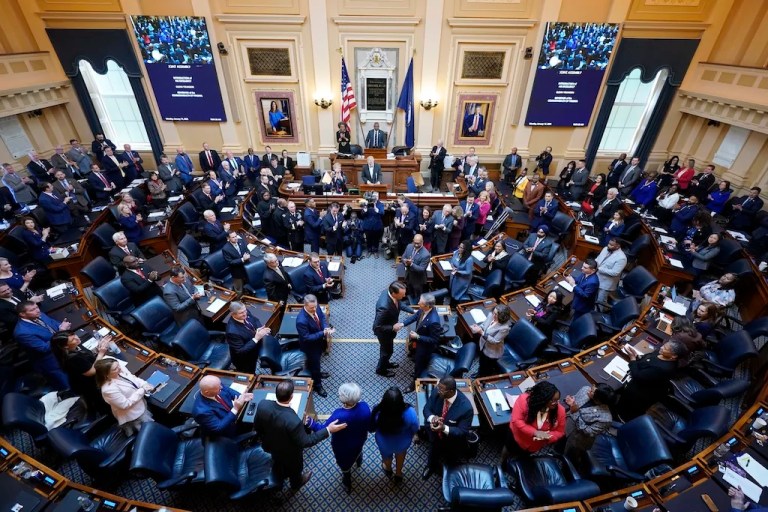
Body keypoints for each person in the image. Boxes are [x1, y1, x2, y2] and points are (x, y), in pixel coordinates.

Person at [256, 380, 346, 490]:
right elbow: (306, 441)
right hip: (290, 454)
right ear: (291, 396)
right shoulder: (293, 421)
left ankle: (281, 473)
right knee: (295, 470)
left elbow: (258, 427)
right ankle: (296, 484)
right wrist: (328, 429)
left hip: (268, 446)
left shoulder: (262, 404)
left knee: (278, 461)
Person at [305, 383, 370, 492]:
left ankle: (347, 480)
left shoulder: (339, 415)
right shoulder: (365, 406)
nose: (338, 394)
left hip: (343, 447)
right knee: (358, 452)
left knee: (344, 465)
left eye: (340, 394)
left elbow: (323, 429)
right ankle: (359, 461)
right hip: (360, 440)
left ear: (345, 399)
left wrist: (311, 422)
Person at [616, 340, 687, 420]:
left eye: (665, 348)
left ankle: (620, 417)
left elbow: (638, 376)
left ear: (674, 356)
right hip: (642, 378)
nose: (661, 347)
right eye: (664, 345)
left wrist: (632, 359)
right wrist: (637, 356)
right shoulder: (661, 353)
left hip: (641, 393)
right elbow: (648, 360)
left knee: (626, 408)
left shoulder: (663, 368)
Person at [421, 376, 473, 480]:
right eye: (438, 387)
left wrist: (443, 428)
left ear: (451, 391)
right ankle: (431, 466)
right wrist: (432, 418)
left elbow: (462, 431)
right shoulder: (437, 392)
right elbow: (426, 409)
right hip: (435, 436)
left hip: (452, 441)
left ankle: (449, 473)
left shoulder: (466, 408)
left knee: (451, 459)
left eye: (441, 390)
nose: (437, 391)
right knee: (433, 452)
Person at [14, 301, 71, 390]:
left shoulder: (39, 315)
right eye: (32, 310)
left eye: (37, 307)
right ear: (22, 314)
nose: (37, 310)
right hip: (51, 361)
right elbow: (44, 348)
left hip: (64, 350)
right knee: (69, 386)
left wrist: (62, 327)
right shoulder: (22, 332)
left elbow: (54, 324)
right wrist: (60, 332)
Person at [51, 330, 112, 410]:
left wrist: (99, 349)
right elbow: (91, 372)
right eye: (72, 339)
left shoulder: (75, 347)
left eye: (74, 335)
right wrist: (101, 353)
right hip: (91, 387)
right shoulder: (72, 358)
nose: (76, 338)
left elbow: (89, 358)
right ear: (65, 346)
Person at [370, 386, 419, 484]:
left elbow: (372, 428)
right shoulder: (410, 412)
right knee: (401, 455)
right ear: (401, 400)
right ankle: (398, 473)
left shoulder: (377, 411)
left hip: (384, 442)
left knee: (386, 457)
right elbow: (415, 428)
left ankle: (388, 469)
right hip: (402, 442)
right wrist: (414, 435)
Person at [94, 358, 154, 435]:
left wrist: (144, 384)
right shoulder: (108, 390)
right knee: (148, 433)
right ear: (106, 374)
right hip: (134, 416)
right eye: (115, 368)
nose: (119, 368)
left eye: (118, 365)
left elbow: (133, 379)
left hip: (140, 404)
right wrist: (142, 390)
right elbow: (125, 404)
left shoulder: (118, 372)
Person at [563, 384, 616, 469]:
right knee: (559, 440)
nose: (589, 390)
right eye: (592, 388)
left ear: (598, 400)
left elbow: (588, 431)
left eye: (592, 391)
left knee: (569, 455)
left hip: (579, 437)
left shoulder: (605, 418)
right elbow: (575, 399)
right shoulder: (585, 389)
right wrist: (570, 401)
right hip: (567, 421)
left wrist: (575, 410)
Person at [509, 381, 566, 457]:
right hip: (517, 437)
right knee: (507, 453)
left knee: (522, 460)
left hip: (534, 445)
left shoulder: (560, 411)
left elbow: (560, 431)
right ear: (542, 398)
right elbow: (517, 420)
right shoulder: (524, 400)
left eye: (557, 400)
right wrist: (535, 432)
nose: (555, 403)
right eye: (552, 400)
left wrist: (547, 436)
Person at [372, 281, 414, 377]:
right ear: (394, 294)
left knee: (388, 350)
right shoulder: (384, 307)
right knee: (386, 352)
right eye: (402, 294)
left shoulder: (389, 292)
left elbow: (399, 303)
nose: (404, 296)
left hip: (389, 330)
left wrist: (412, 310)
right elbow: (376, 327)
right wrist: (392, 327)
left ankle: (386, 363)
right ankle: (381, 370)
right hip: (384, 334)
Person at [402, 293, 442, 392]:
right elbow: (415, 316)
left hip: (425, 348)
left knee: (419, 365)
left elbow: (434, 340)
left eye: (421, 302)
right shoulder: (423, 309)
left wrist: (418, 337)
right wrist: (402, 324)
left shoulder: (434, 321)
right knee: (416, 359)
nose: (418, 302)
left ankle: (414, 384)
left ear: (427, 305)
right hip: (418, 342)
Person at [297, 294, 334, 397]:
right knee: (314, 366)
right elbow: (307, 338)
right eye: (311, 308)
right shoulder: (301, 320)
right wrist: (323, 333)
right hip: (310, 347)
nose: (314, 309)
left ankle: (318, 374)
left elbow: (322, 317)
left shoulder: (316, 308)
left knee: (316, 362)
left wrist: (325, 328)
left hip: (319, 342)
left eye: (315, 306)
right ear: (305, 305)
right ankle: (318, 386)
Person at [225, 301, 271, 373]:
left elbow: (255, 320)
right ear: (232, 314)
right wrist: (256, 338)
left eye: (245, 310)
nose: (245, 314)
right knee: (250, 373)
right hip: (245, 359)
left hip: (254, 349)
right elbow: (241, 351)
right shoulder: (232, 332)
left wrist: (259, 329)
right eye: (241, 313)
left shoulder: (244, 312)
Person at [470, 304, 512, 378]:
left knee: (486, 367)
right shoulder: (491, 315)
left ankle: (482, 378)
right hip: (483, 344)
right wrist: (478, 327)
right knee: (482, 362)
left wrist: (481, 332)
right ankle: (479, 373)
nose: (493, 315)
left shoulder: (504, 328)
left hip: (492, 351)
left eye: (496, 314)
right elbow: (484, 325)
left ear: (502, 316)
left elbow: (494, 341)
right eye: (494, 312)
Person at [595, 238, 627, 304]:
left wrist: (599, 269)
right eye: (609, 244)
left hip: (605, 283)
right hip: (595, 277)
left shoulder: (622, 258)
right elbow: (598, 259)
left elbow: (615, 273)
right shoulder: (605, 249)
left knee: (600, 302)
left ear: (618, 246)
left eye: (611, 245)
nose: (608, 246)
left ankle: (598, 313)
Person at [402, 234, 431, 305]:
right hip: (409, 275)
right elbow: (403, 257)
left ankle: (416, 306)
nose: (416, 245)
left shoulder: (426, 254)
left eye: (418, 243)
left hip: (418, 279)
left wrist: (411, 264)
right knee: (409, 289)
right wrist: (405, 262)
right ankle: (410, 300)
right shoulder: (409, 246)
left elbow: (422, 269)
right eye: (415, 243)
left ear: (422, 242)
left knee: (417, 294)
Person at [222, 231, 250, 296]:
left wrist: (247, 254)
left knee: (248, 281)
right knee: (239, 288)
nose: (235, 238)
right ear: (228, 238)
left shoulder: (241, 241)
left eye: (236, 236)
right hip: (236, 270)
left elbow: (247, 250)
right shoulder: (226, 249)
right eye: (233, 237)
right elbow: (230, 262)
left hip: (246, 266)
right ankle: (239, 299)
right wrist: (242, 259)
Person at [448, 240, 474, 305]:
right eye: (459, 246)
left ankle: (455, 304)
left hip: (462, 279)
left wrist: (458, 271)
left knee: (456, 293)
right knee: (451, 288)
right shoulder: (457, 252)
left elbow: (468, 272)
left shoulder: (469, 259)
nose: (459, 249)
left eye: (462, 248)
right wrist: (452, 265)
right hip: (454, 275)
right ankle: (452, 300)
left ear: (466, 249)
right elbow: (452, 260)